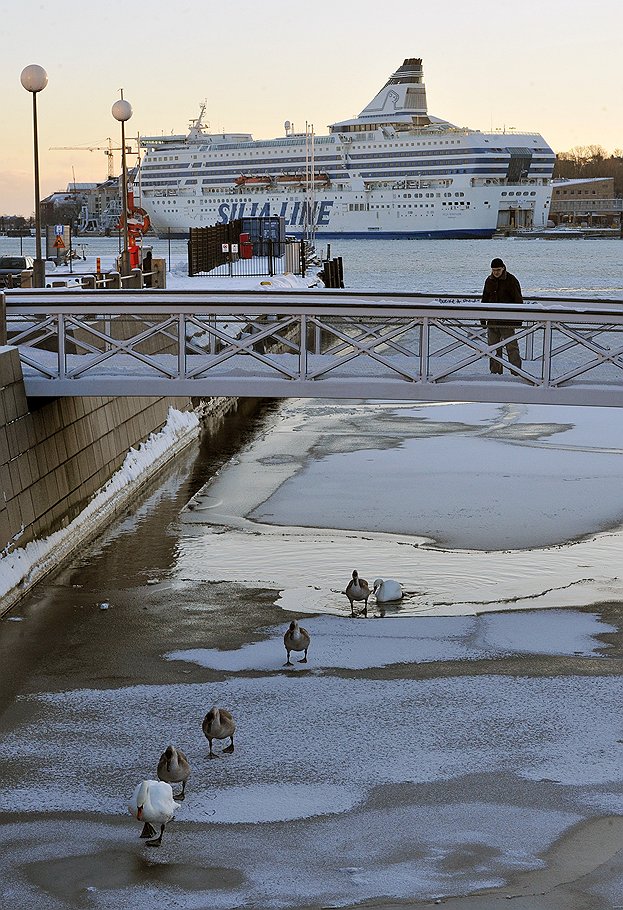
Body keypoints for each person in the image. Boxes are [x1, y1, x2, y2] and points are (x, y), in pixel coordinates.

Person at [481, 258, 523, 375]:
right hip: (492, 320)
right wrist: (482, 319)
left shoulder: (511, 280)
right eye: (494, 270)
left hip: (507, 321)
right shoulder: (489, 281)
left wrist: (518, 320)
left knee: (512, 348)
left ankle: (516, 373)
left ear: (503, 268)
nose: (496, 273)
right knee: (493, 349)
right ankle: (495, 373)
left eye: (498, 270)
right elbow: (484, 300)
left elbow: (518, 300)